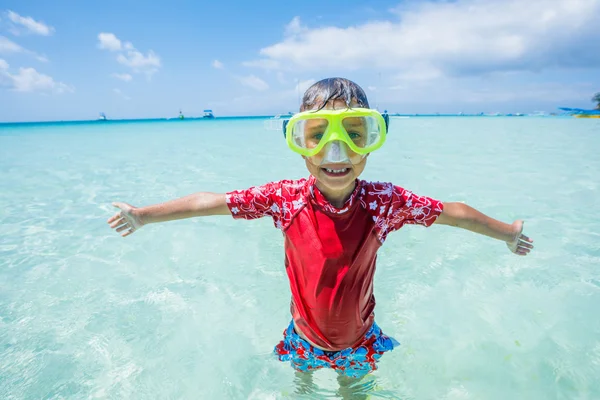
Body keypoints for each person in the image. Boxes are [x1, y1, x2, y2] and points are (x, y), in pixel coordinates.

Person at [107, 77, 533, 396]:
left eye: (354, 135)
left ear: (371, 142)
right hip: (302, 337)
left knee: (354, 393)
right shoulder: (284, 199)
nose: (336, 152)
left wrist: (507, 233)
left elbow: (453, 213)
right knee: (303, 389)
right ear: (299, 141)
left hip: (359, 341)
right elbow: (209, 202)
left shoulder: (385, 202)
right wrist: (144, 216)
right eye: (318, 136)